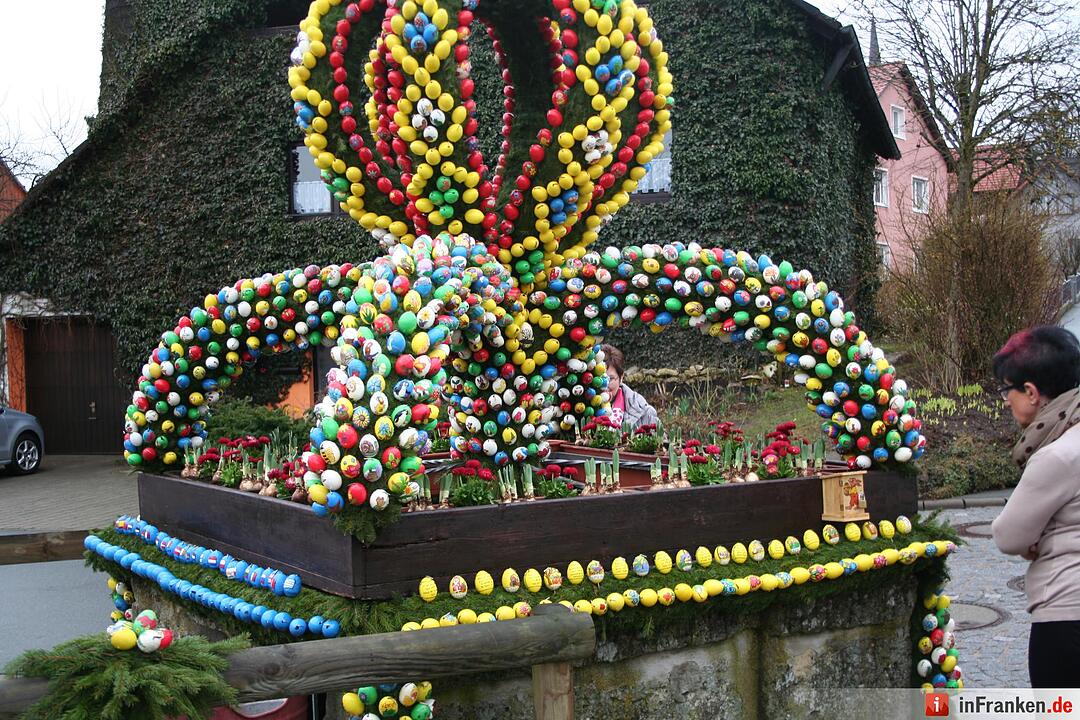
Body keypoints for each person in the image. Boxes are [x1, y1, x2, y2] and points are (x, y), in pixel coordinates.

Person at [990, 325, 1080, 688]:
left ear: (1030, 392)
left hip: (1066, 619)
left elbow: (1008, 536)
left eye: (1005, 389)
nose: (1004, 400)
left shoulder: (1057, 456)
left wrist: (1039, 538)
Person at [599, 344, 659, 430]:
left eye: (610, 379)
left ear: (621, 377)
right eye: (599, 379)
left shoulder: (643, 412)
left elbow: (659, 441)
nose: (604, 386)